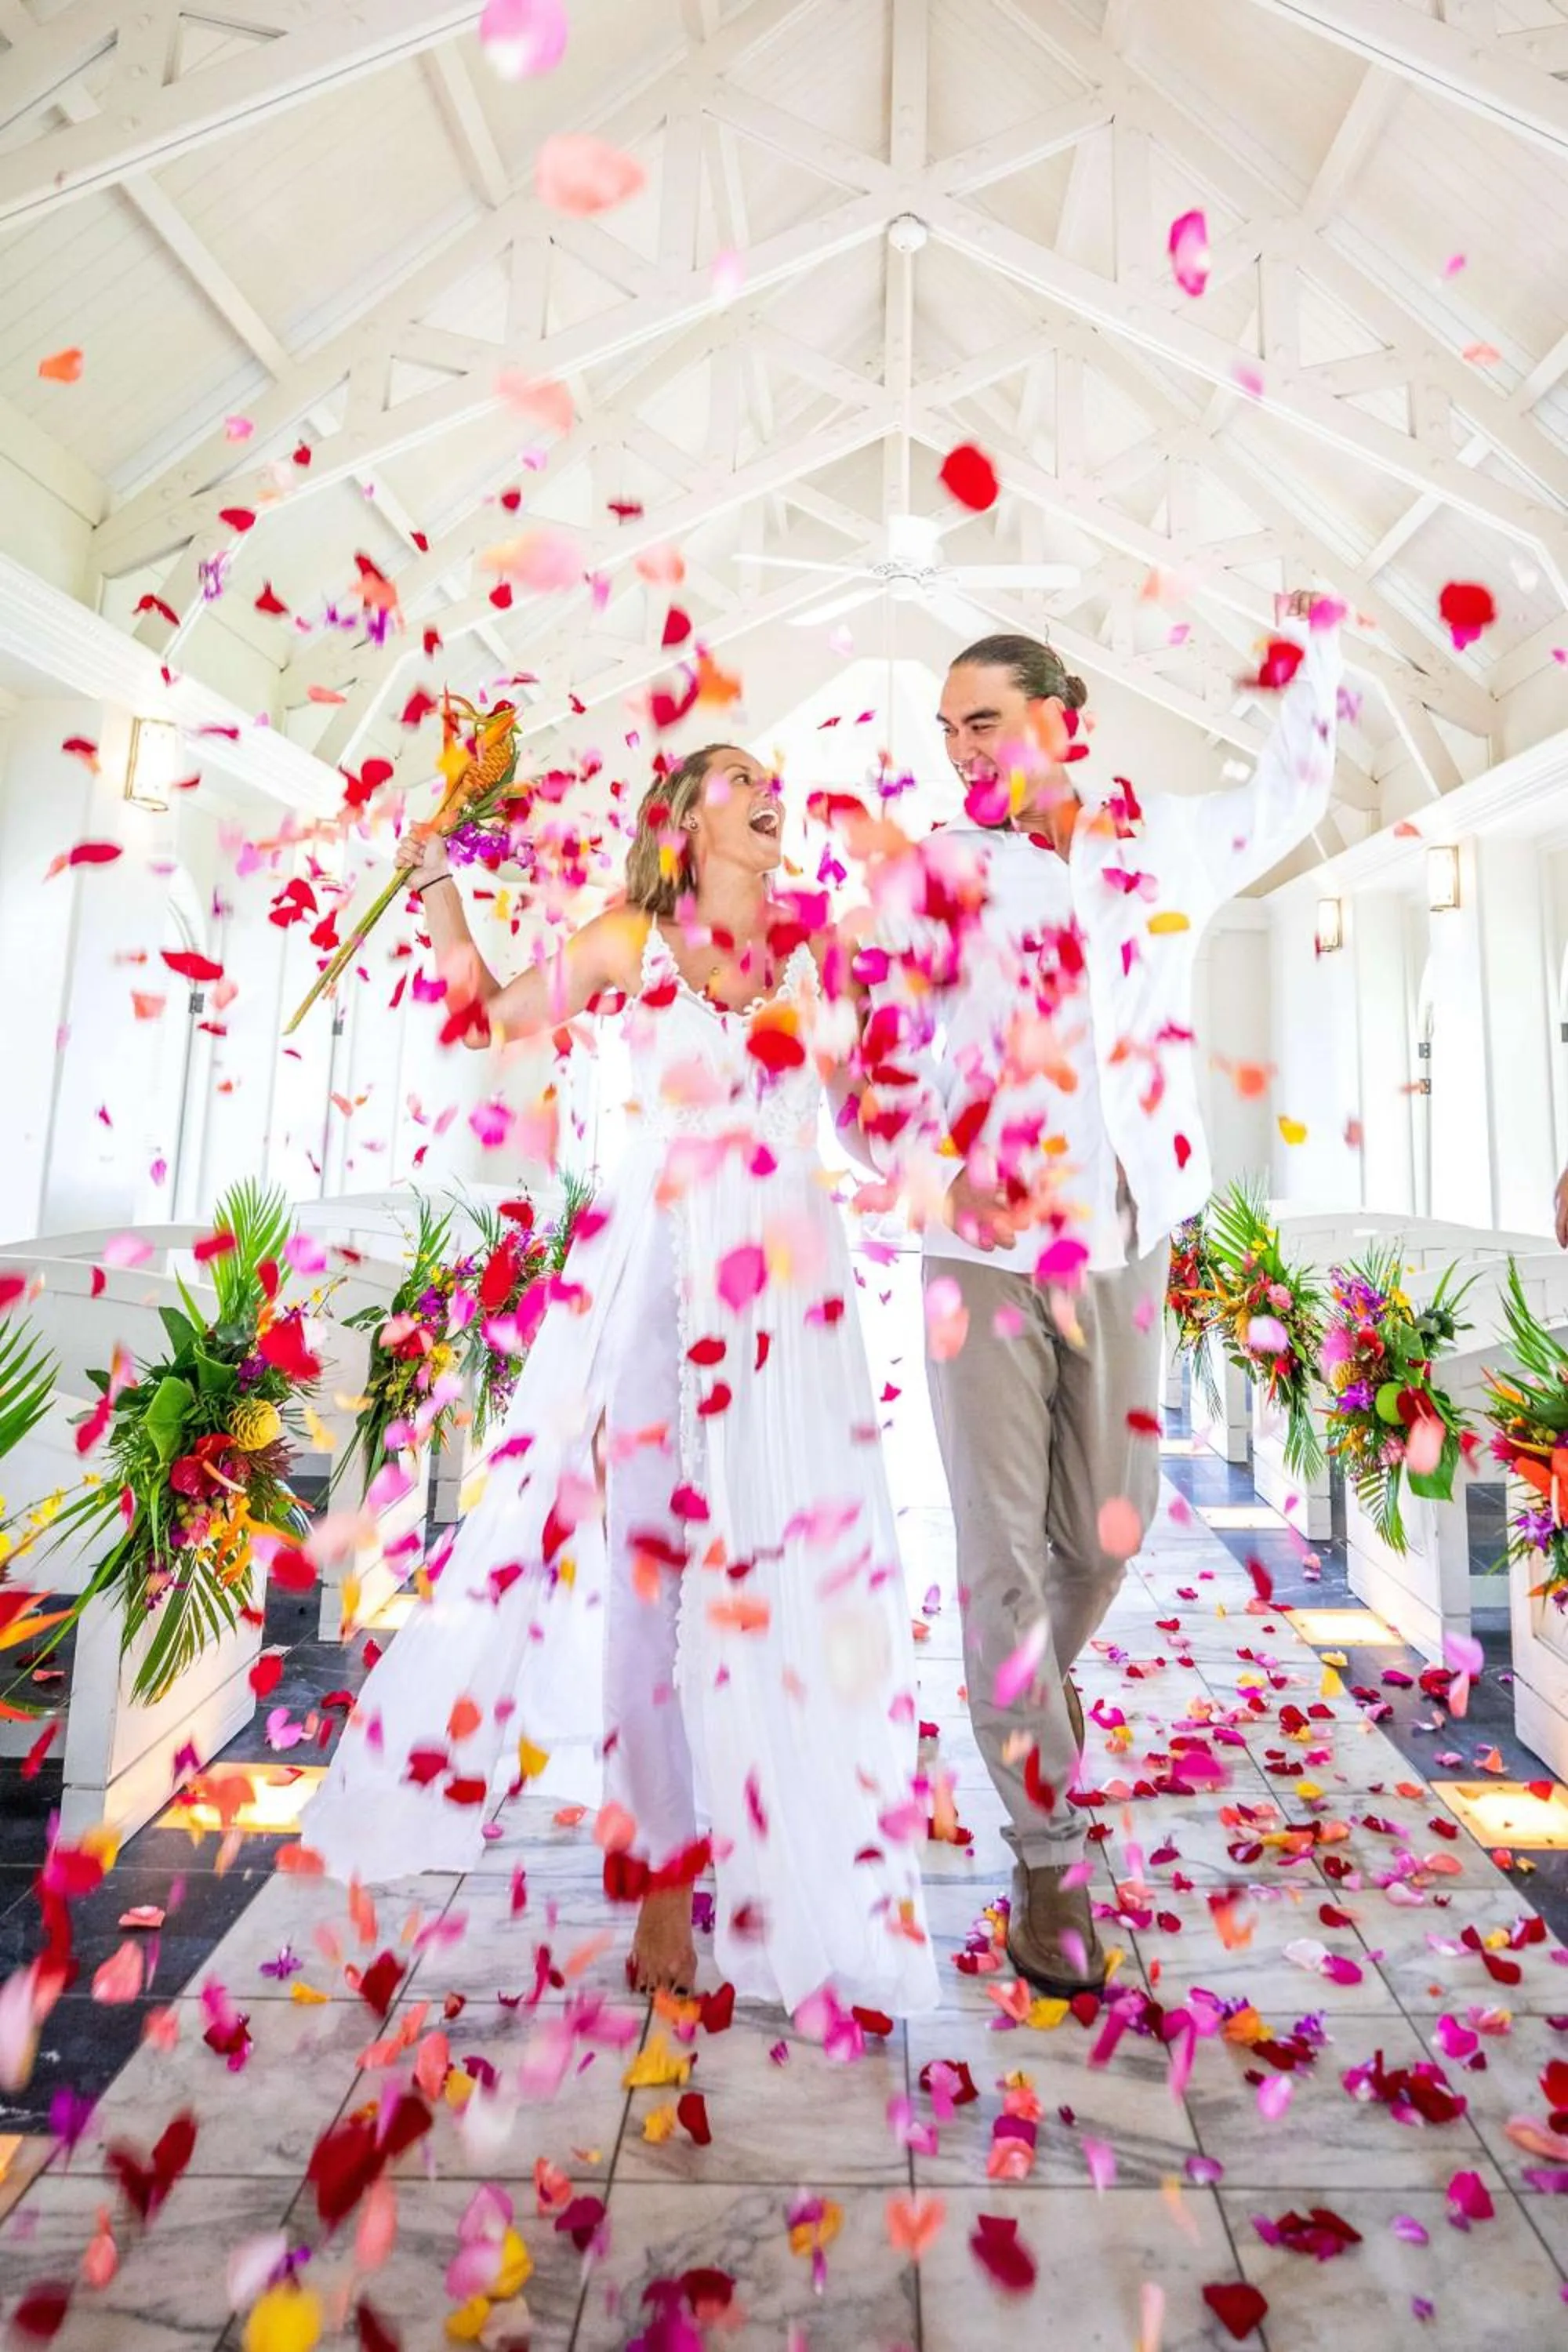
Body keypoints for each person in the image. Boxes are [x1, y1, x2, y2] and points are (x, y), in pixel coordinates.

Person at [303, 742, 938, 2019]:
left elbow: (873, 1111)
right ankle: (664, 1868)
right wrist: (437, 888)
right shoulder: (623, 941)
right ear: (688, 819)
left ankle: (801, 1843)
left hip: (790, 1303)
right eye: (746, 780)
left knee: (785, 1569)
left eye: (779, 781)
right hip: (651, 1287)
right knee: (653, 1584)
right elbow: (486, 1018)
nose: (777, 796)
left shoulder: (828, 954)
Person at [857, 593, 1341, 1997]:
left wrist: (1309, 657)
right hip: (983, 1258)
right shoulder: (936, 870)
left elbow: (1292, 793)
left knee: (1107, 1540)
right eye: (948, 732)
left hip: (1128, 1237)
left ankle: (1007, 1692)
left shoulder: (1165, 844)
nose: (962, 752)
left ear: (1063, 720)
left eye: (986, 722)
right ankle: (1045, 1861)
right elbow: (873, 1068)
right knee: (1003, 1555)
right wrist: (932, 1173)